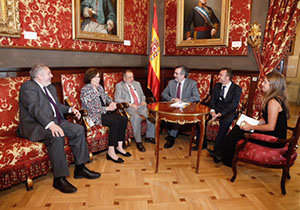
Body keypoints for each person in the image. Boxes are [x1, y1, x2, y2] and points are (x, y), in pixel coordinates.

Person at [17, 64, 100, 194]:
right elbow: (34, 109)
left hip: (55, 121)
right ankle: (59, 179)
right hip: (35, 124)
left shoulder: (50, 88)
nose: (51, 76)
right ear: (39, 75)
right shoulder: (28, 87)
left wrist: (70, 109)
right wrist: (50, 124)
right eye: (49, 73)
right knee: (56, 135)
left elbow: (57, 106)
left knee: (78, 129)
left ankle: (80, 168)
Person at [220, 71, 290, 167]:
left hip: (274, 140)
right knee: (239, 126)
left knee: (239, 131)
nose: (262, 84)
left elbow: (271, 127)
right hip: (273, 134)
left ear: (273, 86)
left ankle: (225, 157)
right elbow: (265, 119)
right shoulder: (276, 98)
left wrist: (250, 127)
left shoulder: (273, 102)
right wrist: (252, 122)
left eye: (265, 82)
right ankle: (224, 155)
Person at [80, 68, 130, 164]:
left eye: (99, 77)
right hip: (93, 115)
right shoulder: (85, 90)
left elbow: (106, 98)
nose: (98, 79)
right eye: (95, 77)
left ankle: (119, 146)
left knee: (123, 119)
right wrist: (107, 109)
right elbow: (91, 108)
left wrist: (112, 103)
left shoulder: (99, 87)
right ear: (90, 78)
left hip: (104, 112)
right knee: (114, 122)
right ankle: (111, 151)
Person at [194, 68, 242, 163]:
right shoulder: (217, 86)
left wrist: (221, 114)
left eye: (220, 75)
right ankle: (202, 143)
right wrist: (212, 111)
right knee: (201, 119)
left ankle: (217, 150)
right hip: (215, 110)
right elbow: (212, 101)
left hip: (228, 112)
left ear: (227, 77)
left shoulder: (237, 89)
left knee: (225, 123)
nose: (218, 76)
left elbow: (233, 104)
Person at [114, 70, 156, 152]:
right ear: (124, 79)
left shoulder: (137, 84)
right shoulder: (119, 86)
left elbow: (142, 95)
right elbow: (117, 99)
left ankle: (149, 136)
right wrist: (130, 104)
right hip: (129, 107)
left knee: (151, 114)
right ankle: (139, 142)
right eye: (129, 78)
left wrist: (143, 101)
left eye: (132, 77)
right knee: (136, 117)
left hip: (140, 105)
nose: (132, 79)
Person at [161, 65, 200, 148]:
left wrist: (182, 100)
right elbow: (163, 94)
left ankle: (171, 137)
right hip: (172, 106)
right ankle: (171, 133)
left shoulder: (192, 83)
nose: (174, 75)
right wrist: (172, 99)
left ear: (183, 75)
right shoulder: (171, 82)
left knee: (177, 114)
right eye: (174, 73)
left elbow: (196, 97)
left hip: (186, 107)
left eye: (176, 73)